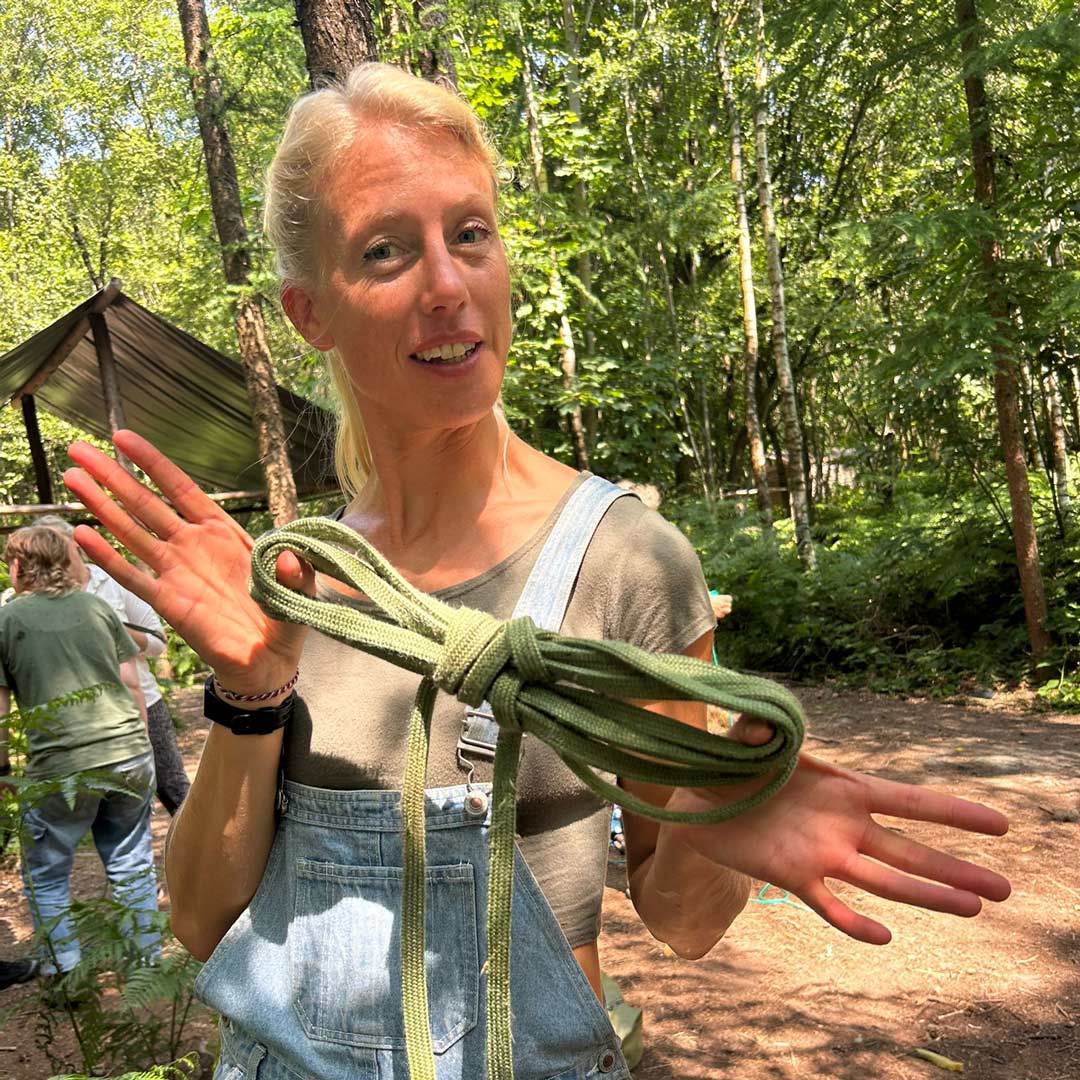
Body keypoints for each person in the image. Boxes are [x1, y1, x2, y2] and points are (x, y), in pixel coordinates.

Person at [61, 64, 1010, 1080]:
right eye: (385, 251)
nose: (447, 286)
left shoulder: (628, 562)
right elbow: (204, 919)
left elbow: (686, 923)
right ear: (310, 312)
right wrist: (252, 692)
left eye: (470, 234)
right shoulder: (299, 581)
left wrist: (715, 816)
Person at [0, 527, 160, 990]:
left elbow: (0, 708)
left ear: (18, 566)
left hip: (60, 766)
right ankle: (145, 968)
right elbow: (131, 682)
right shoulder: (97, 607)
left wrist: (2, 768)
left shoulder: (8, 620)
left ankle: (65, 974)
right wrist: (141, 746)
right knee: (131, 863)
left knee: (47, 873)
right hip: (129, 752)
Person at [37, 515, 190, 816]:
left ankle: (205, 846)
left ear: (75, 545)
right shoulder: (40, 601)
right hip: (85, 717)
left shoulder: (115, 581)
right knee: (113, 810)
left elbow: (157, 643)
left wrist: (111, 628)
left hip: (144, 704)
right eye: (44, 545)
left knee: (174, 789)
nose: (52, 551)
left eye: (57, 542)